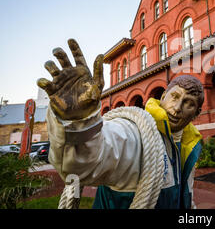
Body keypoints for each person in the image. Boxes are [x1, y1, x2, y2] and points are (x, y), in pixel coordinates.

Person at [37, 39, 204, 209]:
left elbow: (185, 195)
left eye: (188, 103)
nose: (176, 108)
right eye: (174, 97)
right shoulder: (136, 135)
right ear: (163, 97)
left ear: (197, 113)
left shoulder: (188, 146)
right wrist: (78, 121)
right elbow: (90, 160)